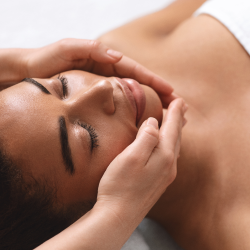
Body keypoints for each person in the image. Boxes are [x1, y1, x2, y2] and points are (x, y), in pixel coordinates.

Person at [0, 39, 185, 250]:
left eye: (61, 86)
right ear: (85, 222)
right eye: (88, 136)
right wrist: (117, 211)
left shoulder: (119, 47)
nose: (102, 86)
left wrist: (21, 64)